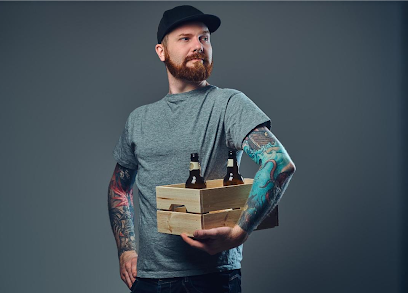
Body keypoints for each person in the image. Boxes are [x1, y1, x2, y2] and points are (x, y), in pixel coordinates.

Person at [108, 5, 296, 293]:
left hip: (210, 281)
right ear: (161, 51)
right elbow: (120, 189)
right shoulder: (139, 119)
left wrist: (238, 233)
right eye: (185, 39)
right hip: (147, 281)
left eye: (204, 38)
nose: (198, 46)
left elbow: (278, 162)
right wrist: (126, 250)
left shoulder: (229, 104)